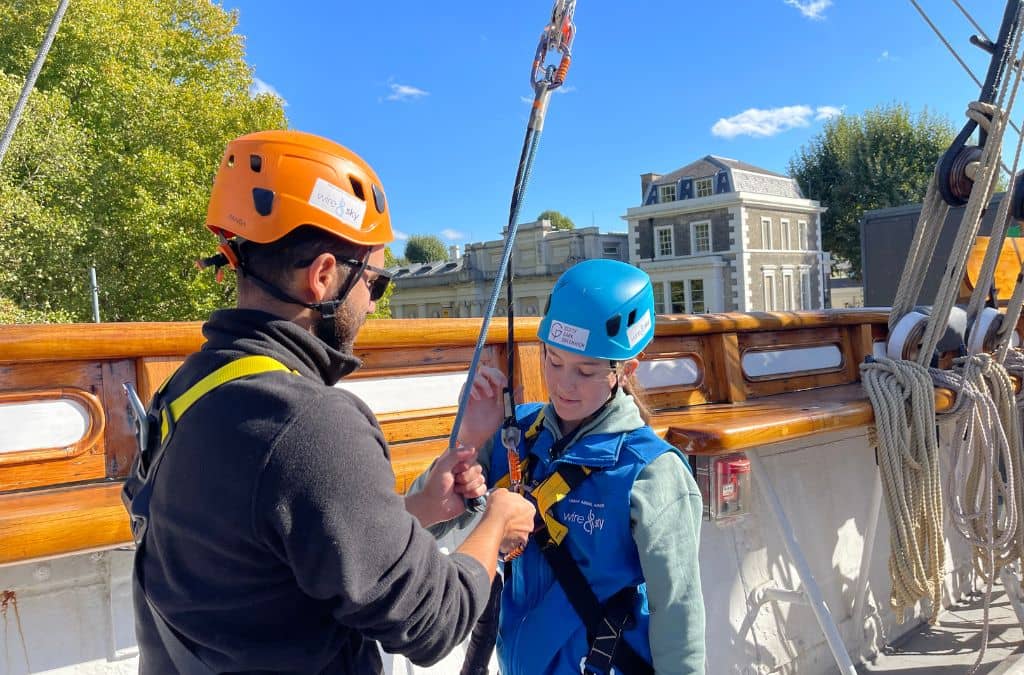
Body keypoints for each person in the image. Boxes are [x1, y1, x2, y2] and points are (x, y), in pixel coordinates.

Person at [121, 129, 536, 674]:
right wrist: (498, 523)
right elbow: (435, 620)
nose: (372, 304)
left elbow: (272, 545)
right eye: (376, 283)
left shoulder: (190, 387)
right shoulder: (311, 422)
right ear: (322, 277)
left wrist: (414, 513)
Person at [447, 259, 706, 674]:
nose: (564, 384)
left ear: (626, 371)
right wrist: (468, 439)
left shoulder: (651, 473)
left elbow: (678, 613)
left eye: (586, 371)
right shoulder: (518, 437)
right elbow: (435, 519)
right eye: (553, 360)